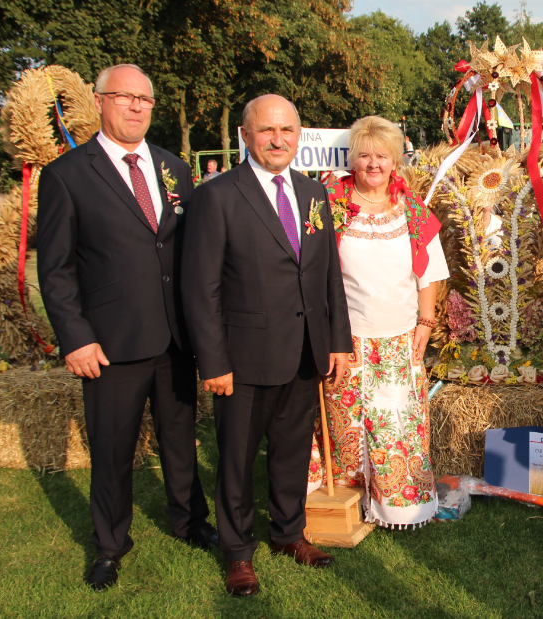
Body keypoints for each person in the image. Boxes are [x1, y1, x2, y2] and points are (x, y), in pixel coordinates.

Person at [36, 64, 215, 592]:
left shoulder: (174, 168)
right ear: (99, 102)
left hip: (175, 338)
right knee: (112, 448)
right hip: (109, 342)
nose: (137, 107)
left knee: (181, 439)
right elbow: (56, 269)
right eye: (125, 97)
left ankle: (189, 520)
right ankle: (111, 544)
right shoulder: (68, 174)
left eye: (145, 99)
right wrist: (75, 336)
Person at [181, 94, 353, 597]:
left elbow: (327, 277)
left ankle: (287, 534)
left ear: (298, 136)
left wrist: (336, 342)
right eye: (266, 131)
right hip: (243, 358)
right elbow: (201, 287)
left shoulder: (312, 195)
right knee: (235, 458)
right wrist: (212, 360)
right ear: (245, 135)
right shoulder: (217, 196)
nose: (278, 141)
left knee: (292, 452)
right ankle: (237, 553)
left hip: (304, 351)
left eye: (287, 131)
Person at [308, 115, 448, 529]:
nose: (373, 164)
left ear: (396, 161)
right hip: (344, 338)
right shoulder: (331, 205)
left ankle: (398, 505)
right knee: (343, 421)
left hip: (399, 337)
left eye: (382, 156)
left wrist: (425, 322)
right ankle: (348, 500)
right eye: (365, 155)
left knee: (396, 424)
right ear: (353, 159)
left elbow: (430, 273)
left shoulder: (413, 211)